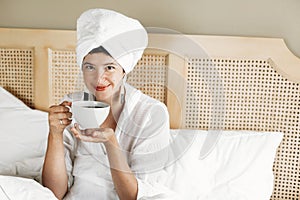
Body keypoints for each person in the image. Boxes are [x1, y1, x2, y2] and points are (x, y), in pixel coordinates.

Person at [42, 8, 176, 200]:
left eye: (109, 67)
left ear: (124, 70)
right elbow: (53, 192)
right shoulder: (73, 106)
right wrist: (54, 135)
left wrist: (111, 143)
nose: (99, 78)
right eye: (89, 67)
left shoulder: (151, 113)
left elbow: (133, 197)